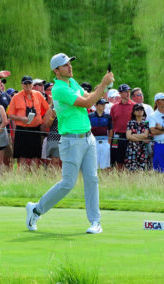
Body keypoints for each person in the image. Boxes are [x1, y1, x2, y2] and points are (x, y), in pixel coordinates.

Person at [25, 53, 114, 234]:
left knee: (92, 179)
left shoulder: (72, 83)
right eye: (65, 65)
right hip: (71, 140)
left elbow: (88, 95)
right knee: (67, 183)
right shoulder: (59, 89)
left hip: (88, 138)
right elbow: (87, 102)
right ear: (56, 71)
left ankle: (95, 221)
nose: (70, 67)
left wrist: (102, 86)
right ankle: (36, 210)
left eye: (70, 64)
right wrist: (103, 85)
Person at [7, 75, 49, 167]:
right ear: (22, 85)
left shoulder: (38, 95)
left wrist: (43, 122)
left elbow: (47, 109)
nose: (27, 85)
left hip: (36, 129)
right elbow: (10, 115)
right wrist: (21, 119)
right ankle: (22, 177)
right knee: (22, 156)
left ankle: (34, 178)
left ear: (32, 84)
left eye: (29, 83)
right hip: (22, 129)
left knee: (35, 156)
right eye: (25, 83)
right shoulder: (16, 97)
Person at [109, 84, 135, 168]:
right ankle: (120, 177)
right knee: (117, 159)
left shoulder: (134, 106)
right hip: (117, 136)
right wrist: (111, 138)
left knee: (130, 158)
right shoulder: (114, 107)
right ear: (120, 93)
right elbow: (112, 123)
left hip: (130, 136)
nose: (128, 93)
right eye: (125, 92)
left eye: (128, 91)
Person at [89, 98, 112, 169]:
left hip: (105, 142)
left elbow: (111, 129)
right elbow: (88, 129)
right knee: (93, 164)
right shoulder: (90, 116)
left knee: (105, 165)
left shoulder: (108, 116)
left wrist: (109, 142)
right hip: (93, 141)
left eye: (104, 104)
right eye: (101, 104)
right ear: (96, 105)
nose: (104, 106)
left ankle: (104, 179)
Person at [125, 103, 150, 171]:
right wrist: (141, 139)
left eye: (141, 109)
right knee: (131, 170)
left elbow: (145, 135)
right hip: (132, 149)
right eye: (137, 109)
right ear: (133, 112)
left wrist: (133, 135)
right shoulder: (130, 123)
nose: (139, 111)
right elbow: (128, 136)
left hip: (143, 149)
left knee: (143, 169)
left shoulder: (146, 123)